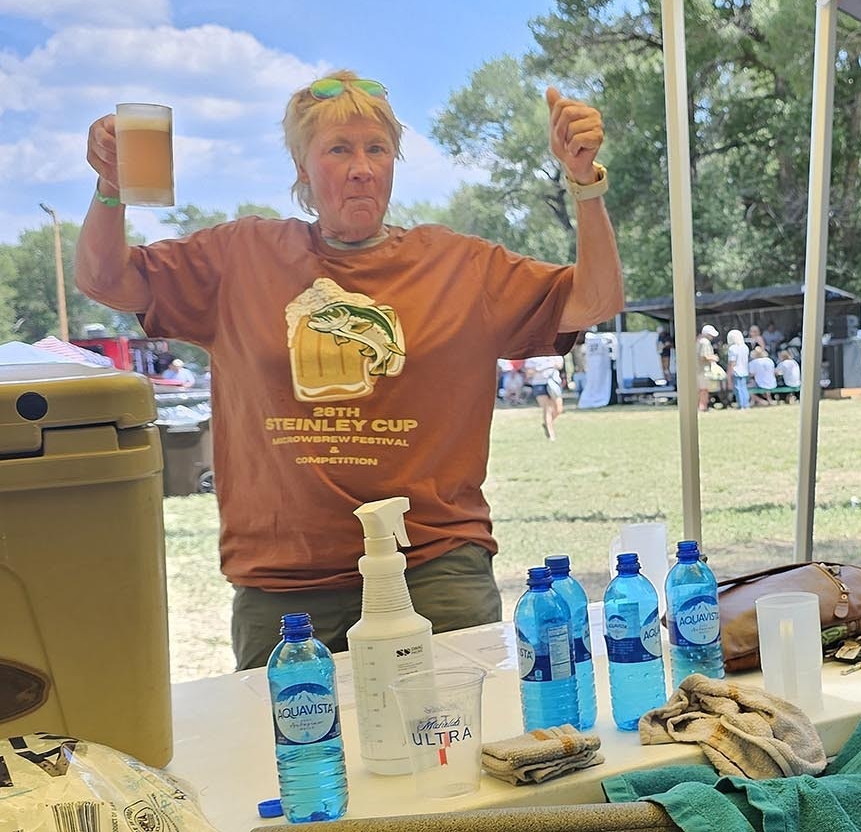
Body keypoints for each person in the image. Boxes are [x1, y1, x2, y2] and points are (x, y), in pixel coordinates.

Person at [76, 70, 624, 669]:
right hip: (285, 584)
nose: (361, 166)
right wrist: (111, 188)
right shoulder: (239, 257)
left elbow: (595, 300)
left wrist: (585, 185)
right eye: (339, 149)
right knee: (294, 757)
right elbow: (107, 280)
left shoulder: (459, 267)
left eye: (377, 148)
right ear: (304, 169)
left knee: (455, 753)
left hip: (433, 568)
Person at [526, 353, 565, 439]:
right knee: (547, 408)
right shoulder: (531, 355)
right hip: (539, 384)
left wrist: (551, 364)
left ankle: (547, 423)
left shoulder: (554, 352)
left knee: (558, 409)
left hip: (553, 382)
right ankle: (551, 435)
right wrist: (539, 369)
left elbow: (560, 365)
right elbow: (528, 372)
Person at [696, 324, 721, 411]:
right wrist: (715, 357)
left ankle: (700, 406)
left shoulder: (699, 341)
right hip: (703, 370)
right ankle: (703, 407)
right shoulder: (705, 342)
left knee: (700, 389)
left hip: (699, 369)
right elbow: (705, 356)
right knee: (704, 389)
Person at [726, 329, 751, 410]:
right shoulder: (745, 347)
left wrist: (729, 373)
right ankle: (746, 404)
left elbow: (731, 362)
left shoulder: (732, 348)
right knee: (744, 388)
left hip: (736, 370)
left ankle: (741, 405)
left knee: (738, 388)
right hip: (744, 370)